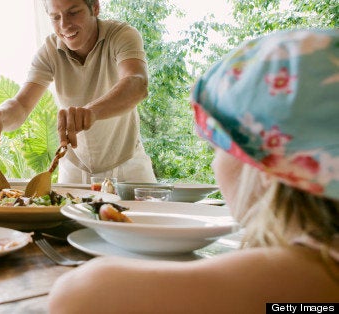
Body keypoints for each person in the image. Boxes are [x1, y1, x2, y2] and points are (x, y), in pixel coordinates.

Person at [47, 29, 339, 312]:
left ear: (267, 164)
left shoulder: (307, 274)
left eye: (218, 148)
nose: (214, 164)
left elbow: (79, 294)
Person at [0, 0, 156, 184]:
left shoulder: (122, 35)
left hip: (129, 164)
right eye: (55, 17)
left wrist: (91, 112)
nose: (64, 25)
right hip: (75, 171)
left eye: (73, 12)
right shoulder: (48, 51)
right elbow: (21, 105)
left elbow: (137, 83)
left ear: (95, 7)